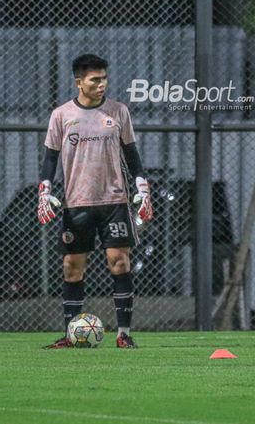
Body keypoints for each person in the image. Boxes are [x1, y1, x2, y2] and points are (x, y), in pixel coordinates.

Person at [38, 54, 153, 349]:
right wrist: (45, 189)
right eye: (95, 79)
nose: (102, 84)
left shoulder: (119, 111)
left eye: (104, 78)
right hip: (76, 202)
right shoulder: (61, 115)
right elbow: (50, 157)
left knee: (119, 262)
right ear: (79, 82)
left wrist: (141, 184)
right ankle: (70, 334)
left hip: (114, 200)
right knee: (72, 266)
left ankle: (123, 334)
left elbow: (131, 153)